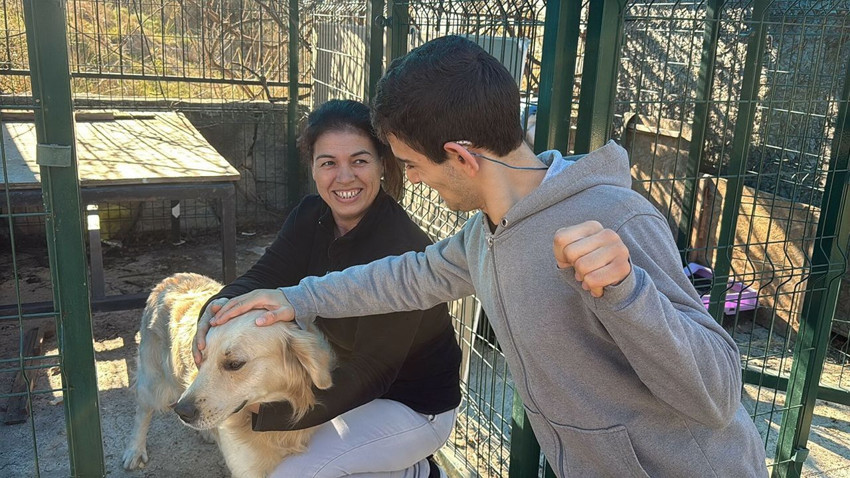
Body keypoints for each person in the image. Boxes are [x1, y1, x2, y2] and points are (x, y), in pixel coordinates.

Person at [201, 36, 768, 477]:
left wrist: (629, 294)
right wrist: (291, 297)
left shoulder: (615, 217)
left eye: (414, 167)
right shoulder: (486, 235)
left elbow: (717, 393)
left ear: (461, 157)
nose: (415, 183)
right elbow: (408, 275)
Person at [193, 99, 461, 478]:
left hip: (412, 404)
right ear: (314, 169)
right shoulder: (310, 215)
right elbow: (263, 275)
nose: (344, 177)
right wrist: (216, 309)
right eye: (329, 163)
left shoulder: (400, 245)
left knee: (293, 474)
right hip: (344, 384)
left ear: (383, 165)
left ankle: (416, 471)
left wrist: (260, 415)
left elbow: (373, 371)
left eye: (359, 160)